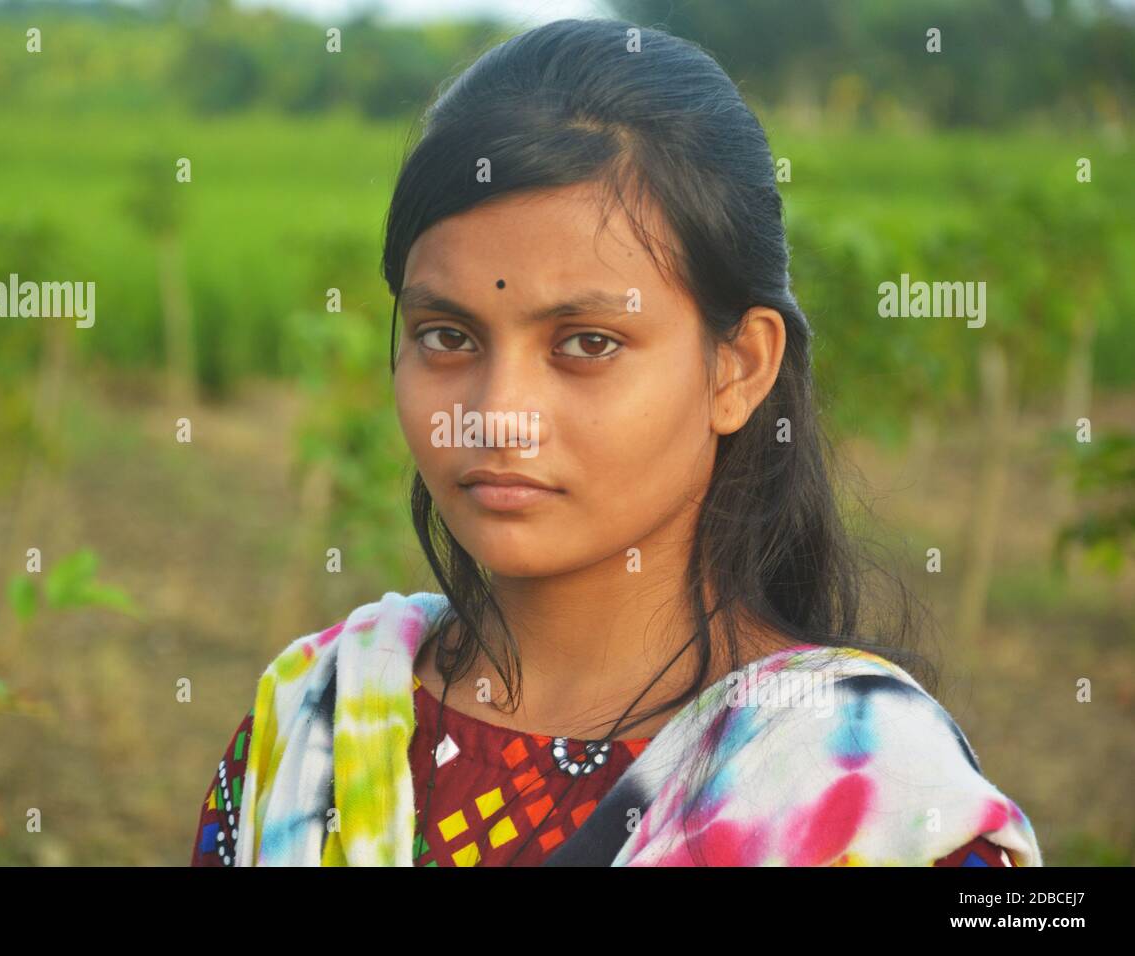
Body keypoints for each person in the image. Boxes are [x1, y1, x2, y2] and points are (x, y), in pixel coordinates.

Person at [191, 18, 1042, 867]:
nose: (498, 414)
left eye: (587, 343)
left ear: (737, 369)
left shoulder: (871, 798)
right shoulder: (310, 729)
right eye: (447, 336)